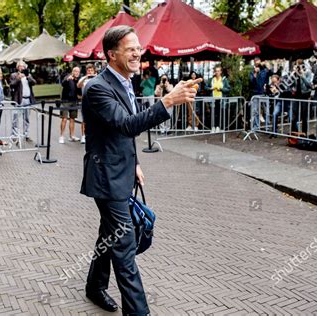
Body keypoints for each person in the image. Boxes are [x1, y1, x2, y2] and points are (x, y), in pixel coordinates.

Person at [81, 25, 201, 315]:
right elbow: (126, 125)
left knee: (108, 236)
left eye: (138, 47)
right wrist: (168, 100)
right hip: (106, 179)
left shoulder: (125, 82)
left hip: (122, 172)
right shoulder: (97, 88)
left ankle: (95, 287)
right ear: (112, 54)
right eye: (130, 48)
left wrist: (134, 162)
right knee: (124, 246)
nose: (137, 53)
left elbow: (121, 134)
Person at [10, 61, 36, 142]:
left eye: (23, 66)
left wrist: (28, 77)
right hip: (19, 99)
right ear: (18, 67)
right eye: (20, 66)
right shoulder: (14, 75)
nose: (22, 68)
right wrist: (18, 78)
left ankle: (26, 135)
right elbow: (12, 84)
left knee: (27, 119)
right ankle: (15, 135)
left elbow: (34, 83)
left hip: (28, 99)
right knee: (16, 118)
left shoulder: (28, 75)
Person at [290, 59, 312, 135]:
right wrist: (293, 74)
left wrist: (302, 76)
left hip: (304, 95)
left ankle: (304, 133)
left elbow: (309, 85)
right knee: (294, 116)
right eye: (296, 65)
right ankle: (294, 133)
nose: (298, 67)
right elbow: (290, 84)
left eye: (299, 65)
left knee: (304, 116)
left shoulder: (308, 72)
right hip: (296, 96)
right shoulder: (294, 73)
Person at [59, 66, 81, 144]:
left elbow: (79, 91)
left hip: (74, 101)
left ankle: (72, 136)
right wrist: (67, 79)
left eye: (78, 72)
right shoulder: (68, 77)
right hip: (66, 100)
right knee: (64, 118)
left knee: (72, 119)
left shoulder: (78, 80)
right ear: (72, 71)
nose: (77, 73)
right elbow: (63, 83)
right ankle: (61, 136)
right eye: (75, 71)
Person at [77, 64, 97, 144]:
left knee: (96, 119)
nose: (90, 71)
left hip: (95, 102)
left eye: (91, 70)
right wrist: (86, 77)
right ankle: (83, 136)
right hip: (85, 101)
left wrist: (95, 76)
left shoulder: (97, 77)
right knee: (84, 120)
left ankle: (95, 135)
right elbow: (78, 85)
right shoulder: (83, 78)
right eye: (88, 70)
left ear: (94, 70)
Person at [206, 65, 230, 133]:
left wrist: (221, 89)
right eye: (216, 71)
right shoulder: (211, 79)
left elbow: (228, 89)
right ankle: (213, 127)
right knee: (212, 114)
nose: (217, 72)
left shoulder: (224, 80)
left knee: (220, 113)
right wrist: (210, 89)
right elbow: (206, 87)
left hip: (221, 99)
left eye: (218, 71)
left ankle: (218, 127)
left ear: (221, 72)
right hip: (213, 99)